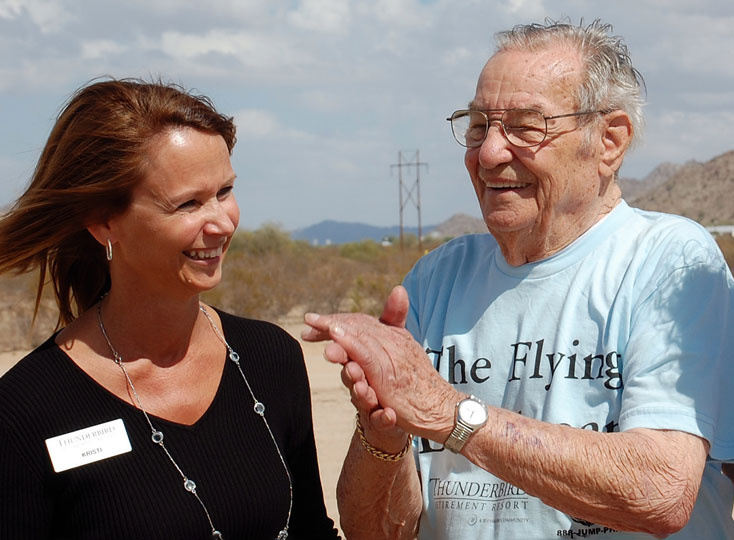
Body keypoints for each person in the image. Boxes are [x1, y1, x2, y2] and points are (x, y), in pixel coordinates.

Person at [302, 19, 734, 539]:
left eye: (527, 127)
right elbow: (375, 531)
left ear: (610, 141)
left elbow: (660, 492)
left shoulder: (668, 260)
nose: (488, 154)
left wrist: (448, 412)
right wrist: (383, 431)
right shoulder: (434, 278)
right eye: (478, 126)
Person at [0, 78, 340, 539]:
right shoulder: (22, 416)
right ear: (103, 222)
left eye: (225, 191)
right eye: (188, 203)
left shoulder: (271, 357)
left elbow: (311, 530)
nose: (221, 222)